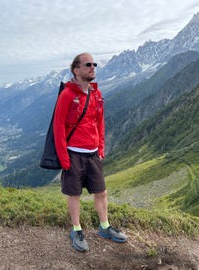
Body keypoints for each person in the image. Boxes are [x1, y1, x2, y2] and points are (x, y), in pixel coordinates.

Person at [53, 52, 127, 252]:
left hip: (93, 153)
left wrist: (100, 147)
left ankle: (105, 227)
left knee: (101, 192)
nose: (92, 67)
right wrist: (64, 158)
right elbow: (58, 126)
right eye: (88, 64)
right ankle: (76, 230)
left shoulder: (96, 94)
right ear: (76, 70)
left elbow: (99, 121)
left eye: (94, 64)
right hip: (73, 154)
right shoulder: (67, 95)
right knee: (74, 194)